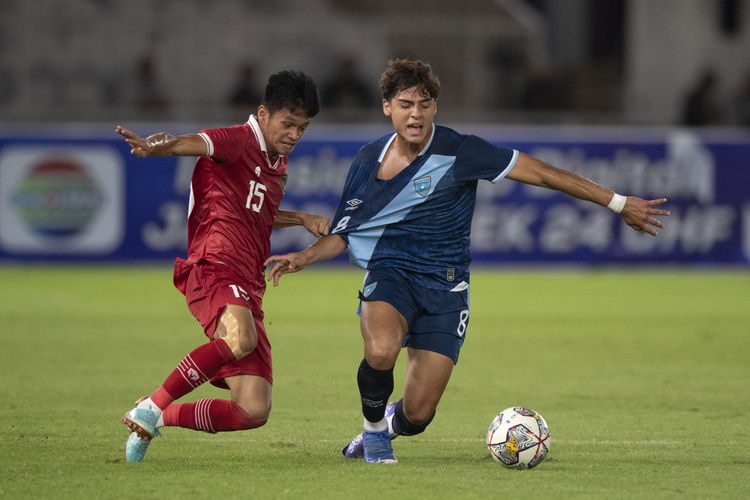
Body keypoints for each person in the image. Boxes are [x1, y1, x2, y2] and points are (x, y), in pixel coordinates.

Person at [264, 58, 670, 464]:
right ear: (387, 106)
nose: (416, 114)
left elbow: (544, 173)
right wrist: (303, 257)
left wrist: (617, 203)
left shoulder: (461, 151)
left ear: (435, 108)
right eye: (405, 104)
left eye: (425, 104)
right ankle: (373, 435)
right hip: (391, 272)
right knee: (382, 351)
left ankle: (388, 425)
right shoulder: (368, 160)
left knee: (419, 414)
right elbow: (345, 232)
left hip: (447, 287)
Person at [116, 70, 328, 463]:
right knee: (240, 339)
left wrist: (299, 218)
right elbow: (192, 143)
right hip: (214, 266)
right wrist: (157, 146)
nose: (295, 134)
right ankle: (155, 404)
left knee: (252, 409)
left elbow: (257, 210)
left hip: (248, 282)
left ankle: (155, 413)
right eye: (288, 124)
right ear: (264, 114)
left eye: (303, 127)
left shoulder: (276, 164)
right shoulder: (239, 139)